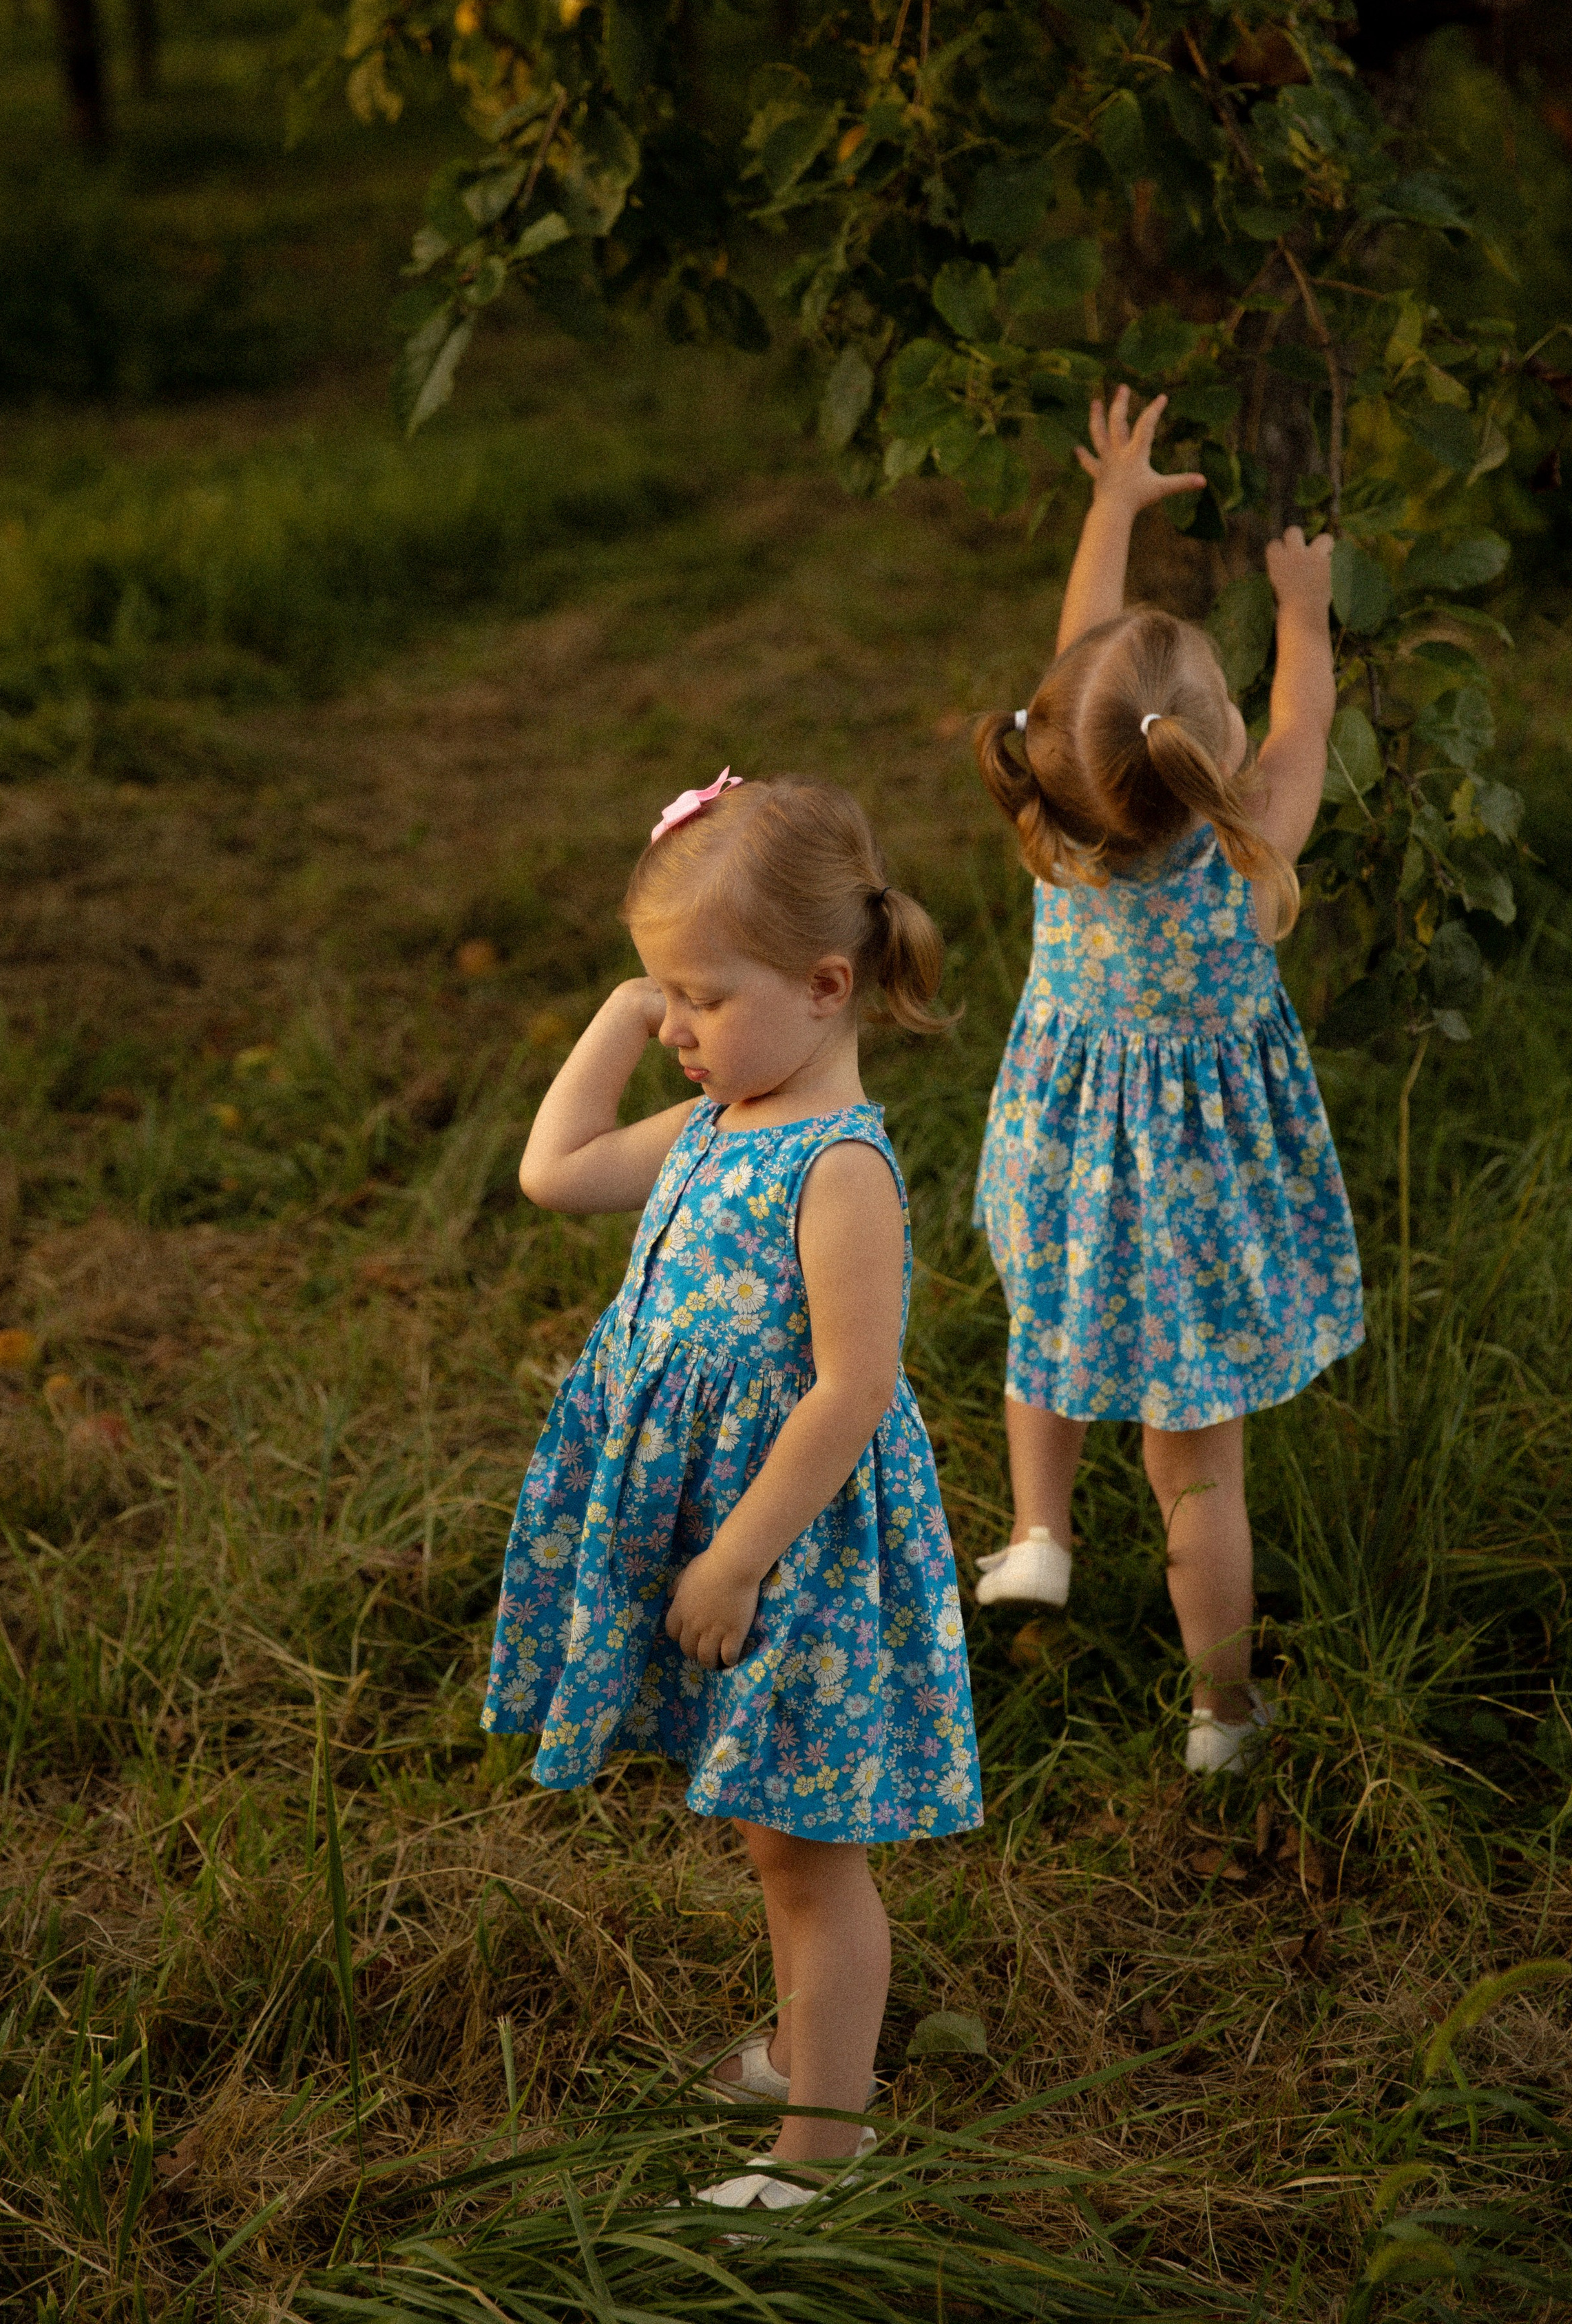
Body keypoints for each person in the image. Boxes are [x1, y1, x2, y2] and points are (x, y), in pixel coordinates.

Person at [483, 771, 981, 2207]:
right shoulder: (713, 1127)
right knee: (770, 1837)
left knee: (810, 1858)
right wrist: (623, 1011)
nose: (677, 1029)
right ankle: (797, 2053)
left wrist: (735, 1561)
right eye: (664, 997)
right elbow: (553, 1170)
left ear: (826, 986)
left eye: (699, 998)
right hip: (728, 1543)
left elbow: (852, 1390)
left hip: (794, 1553)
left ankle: (822, 2150)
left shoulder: (837, 1168)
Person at [969, 387, 1364, 1775]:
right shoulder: (1248, 859)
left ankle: (1037, 1533)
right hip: (1197, 1212)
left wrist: (1110, 506)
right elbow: (1305, 726)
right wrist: (1302, 610)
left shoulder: (1050, 837)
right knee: (1196, 1469)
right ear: (1215, 757)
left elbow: (1072, 666)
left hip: (1059, 1167)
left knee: (1048, 1337)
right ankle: (1220, 1719)